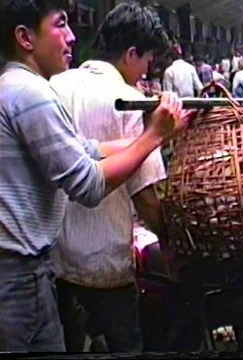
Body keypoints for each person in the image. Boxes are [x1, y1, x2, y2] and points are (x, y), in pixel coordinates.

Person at [0, 0, 186, 352]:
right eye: (60, 25)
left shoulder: (37, 87)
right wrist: (153, 137)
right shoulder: (32, 93)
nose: (71, 37)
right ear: (25, 38)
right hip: (46, 273)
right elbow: (88, 184)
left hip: (54, 264)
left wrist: (156, 137)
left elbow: (86, 149)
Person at [48, 2, 173, 352]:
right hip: (105, 263)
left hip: (54, 260)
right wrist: (169, 241)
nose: (147, 71)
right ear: (131, 53)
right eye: (148, 60)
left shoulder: (53, 86)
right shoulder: (132, 102)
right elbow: (146, 195)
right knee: (126, 346)